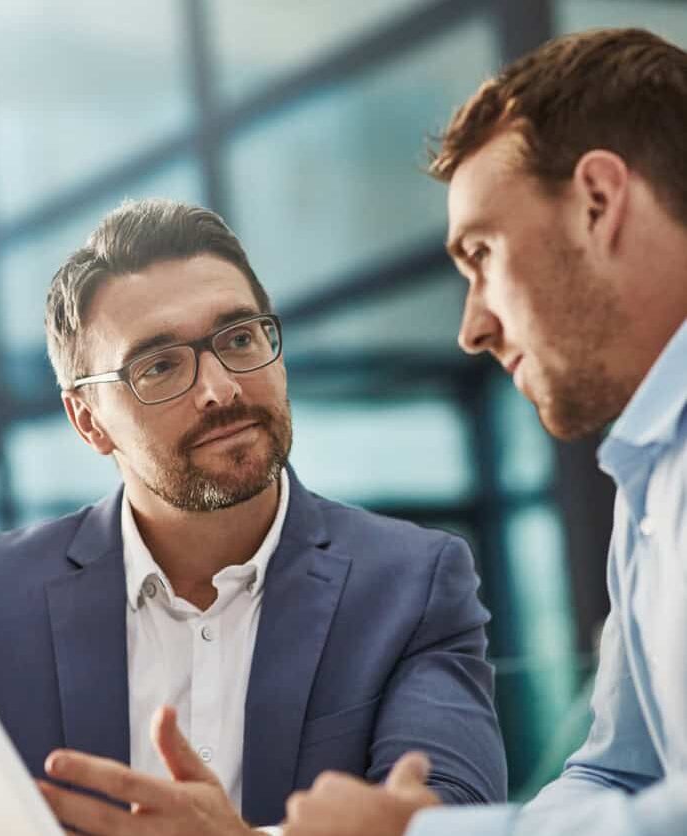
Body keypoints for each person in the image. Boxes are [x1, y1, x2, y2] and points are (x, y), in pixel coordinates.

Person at [0, 199, 506, 835]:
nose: (221, 388)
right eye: (160, 365)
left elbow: (452, 822)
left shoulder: (412, 585)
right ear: (88, 421)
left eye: (241, 338)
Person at [282, 26, 687, 836]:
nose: (471, 327)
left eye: (481, 254)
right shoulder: (650, 468)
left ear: (598, 203)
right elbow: (616, 768)